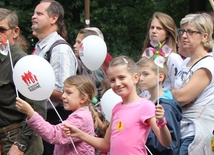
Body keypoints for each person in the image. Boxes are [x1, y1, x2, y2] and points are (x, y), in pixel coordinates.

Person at [63, 55, 172, 155]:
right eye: (112, 80)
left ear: (135, 78)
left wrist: (161, 122)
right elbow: (105, 145)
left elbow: (165, 142)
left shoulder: (146, 106)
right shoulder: (116, 108)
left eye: (121, 77)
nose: (117, 84)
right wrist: (79, 134)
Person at [31, 0, 78, 154]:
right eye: (34, 13)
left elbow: (65, 94)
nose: (33, 17)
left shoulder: (60, 50)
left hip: (56, 120)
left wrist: (33, 86)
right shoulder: (40, 47)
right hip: (40, 119)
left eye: (39, 14)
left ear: (53, 18)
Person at [0, 8, 46, 155]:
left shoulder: (24, 63)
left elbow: (38, 110)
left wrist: (19, 145)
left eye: (1, 30)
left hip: (19, 139)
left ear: (15, 32)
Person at [15, 75, 97, 155]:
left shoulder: (81, 118)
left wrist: (31, 113)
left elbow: (54, 134)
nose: (63, 96)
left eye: (69, 93)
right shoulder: (80, 115)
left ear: (83, 98)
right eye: (63, 92)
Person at [172, 13, 214, 155]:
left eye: (190, 32)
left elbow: (182, 97)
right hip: (181, 130)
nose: (184, 36)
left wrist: (165, 94)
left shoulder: (208, 63)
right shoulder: (185, 62)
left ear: (205, 36)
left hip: (196, 133)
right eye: (183, 31)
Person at [136, 57, 182, 155]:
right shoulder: (147, 102)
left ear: (160, 77)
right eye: (139, 75)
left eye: (145, 74)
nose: (141, 78)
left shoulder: (166, 106)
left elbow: (169, 144)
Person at [142, 12, 183, 93]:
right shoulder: (148, 54)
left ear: (168, 33)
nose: (154, 31)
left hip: (162, 103)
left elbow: (179, 87)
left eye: (159, 28)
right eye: (152, 27)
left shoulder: (173, 58)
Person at [73, 28, 105, 100]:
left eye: (79, 43)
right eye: (76, 42)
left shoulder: (95, 69)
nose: (74, 45)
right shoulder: (78, 64)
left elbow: (98, 94)